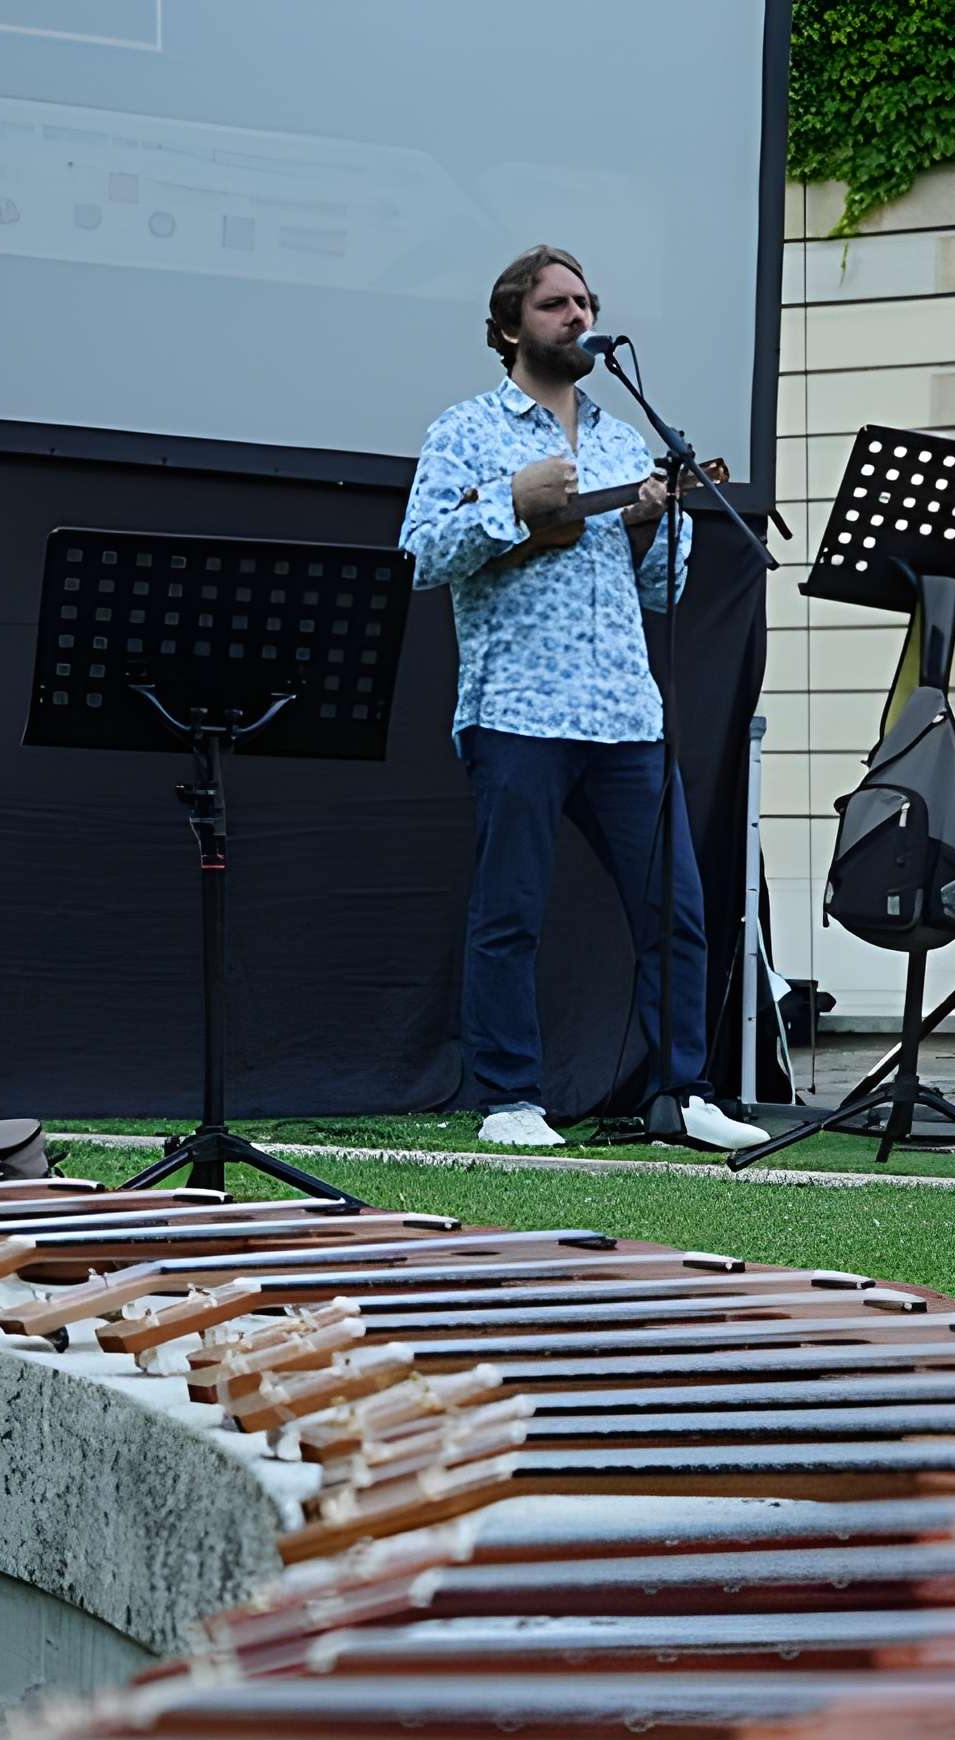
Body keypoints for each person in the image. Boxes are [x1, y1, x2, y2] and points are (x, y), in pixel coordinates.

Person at [400, 243, 765, 1153]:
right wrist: (513, 503)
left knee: (674, 909)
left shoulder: (620, 440)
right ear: (508, 327)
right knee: (511, 911)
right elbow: (419, 557)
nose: (577, 316)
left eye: (585, 302)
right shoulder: (467, 430)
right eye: (557, 303)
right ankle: (508, 1099)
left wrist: (655, 524)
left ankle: (681, 1090)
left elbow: (661, 594)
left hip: (624, 715)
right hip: (517, 708)